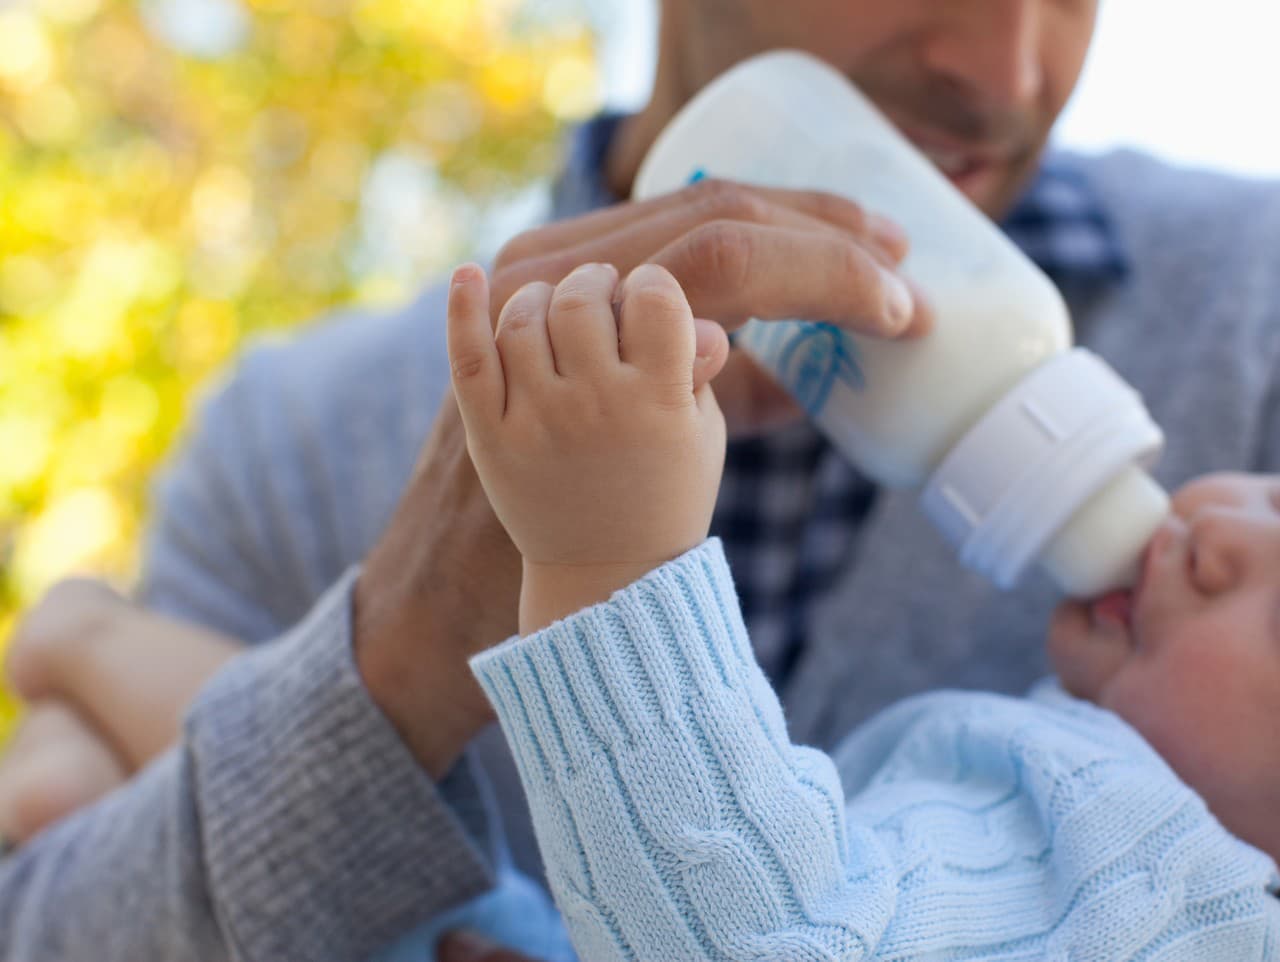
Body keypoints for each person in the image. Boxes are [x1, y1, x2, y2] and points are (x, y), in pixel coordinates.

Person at [3, 1, 1280, 958]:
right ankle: (97, 641)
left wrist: (599, 572)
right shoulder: (294, 437)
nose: (1003, 71)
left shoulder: (1253, 312)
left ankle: (94, 645)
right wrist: (398, 646)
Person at [444, 258, 1280, 958]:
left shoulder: (1154, 877)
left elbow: (777, 941)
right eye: (1276, 499)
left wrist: (609, 559)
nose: (1221, 532)